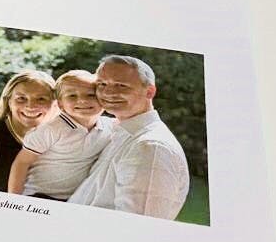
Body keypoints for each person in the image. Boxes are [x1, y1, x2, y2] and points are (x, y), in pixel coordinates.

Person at [69, 55, 190, 219]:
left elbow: (137, 227)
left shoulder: (151, 147)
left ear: (149, 92)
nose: (108, 92)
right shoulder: (116, 132)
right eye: (102, 84)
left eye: (121, 85)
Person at [8, 70, 113, 199]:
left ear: (104, 99)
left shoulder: (110, 126)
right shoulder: (51, 129)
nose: (82, 100)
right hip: (39, 195)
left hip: (76, 199)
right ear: (60, 105)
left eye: (91, 95)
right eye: (72, 96)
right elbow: (22, 163)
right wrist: (14, 199)